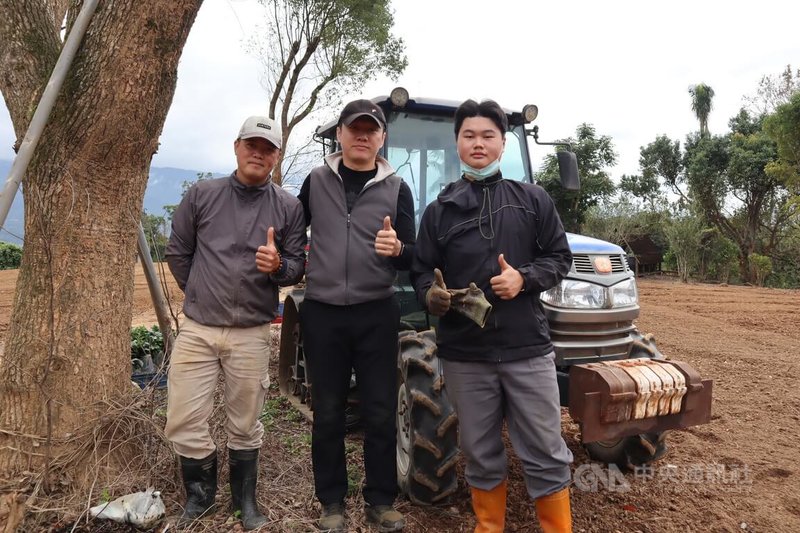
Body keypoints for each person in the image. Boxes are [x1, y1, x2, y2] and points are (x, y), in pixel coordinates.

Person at [411, 99, 574, 533]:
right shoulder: (439, 211)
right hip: (466, 354)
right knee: (480, 451)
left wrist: (523, 278)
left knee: (545, 448)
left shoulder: (533, 200)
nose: (478, 143)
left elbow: (560, 258)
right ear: (458, 143)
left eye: (487, 135)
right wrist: (433, 295)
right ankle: (489, 527)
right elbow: (422, 269)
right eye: (469, 135)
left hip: (527, 349)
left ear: (504, 143)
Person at [164, 116, 306, 530]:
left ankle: (246, 503)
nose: (258, 153)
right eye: (252, 144)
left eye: (268, 148)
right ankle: (200, 498)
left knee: (245, 421)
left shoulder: (288, 206)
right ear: (237, 146)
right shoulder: (202, 195)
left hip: (251, 333)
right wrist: (199, 292)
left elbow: (296, 266)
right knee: (183, 419)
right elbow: (179, 252)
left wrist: (278, 265)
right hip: (199, 330)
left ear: (277, 157)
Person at [297, 99, 415, 532]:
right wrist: (281, 262)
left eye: (371, 130)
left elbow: (413, 255)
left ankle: (380, 500)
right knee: (327, 410)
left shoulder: (398, 187)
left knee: (380, 410)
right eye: (354, 128)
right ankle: (331, 502)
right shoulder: (314, 181)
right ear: (341, 134)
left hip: (376, 312)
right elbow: (293, 233)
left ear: (382, 138)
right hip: (323, 311)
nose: (362, 136)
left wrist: (399, 249)